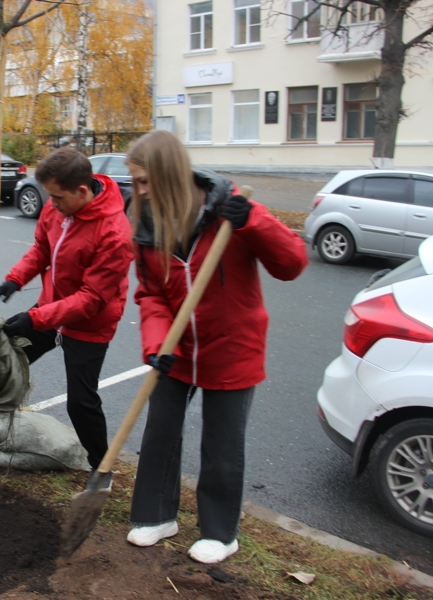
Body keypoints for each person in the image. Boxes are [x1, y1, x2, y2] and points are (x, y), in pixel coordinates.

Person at [124, 130, 307, 563]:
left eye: (146, 181)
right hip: (177, 347)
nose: (140, 191)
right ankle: (156, 515)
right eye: (136, 182)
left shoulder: (231, 212)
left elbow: (293, 263)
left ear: (171, 175)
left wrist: (254, 222)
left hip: (233, 347)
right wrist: (155, 344)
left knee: (222, 443)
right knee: (160, 432)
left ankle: (220, 533)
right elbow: (150, 294)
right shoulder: (147, 224)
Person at [0, 147, 133, 485]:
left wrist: (36, 319)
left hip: (90, 325)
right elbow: (42, 248)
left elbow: (91, 300)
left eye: (57, 197)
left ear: (82, 191)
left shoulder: (115, 233)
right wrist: (15, 279)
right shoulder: (57, 206)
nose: (51, 204)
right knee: (3, 356)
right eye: (49, 196)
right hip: (50, 309)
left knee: (81, 402)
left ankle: (101, 469)